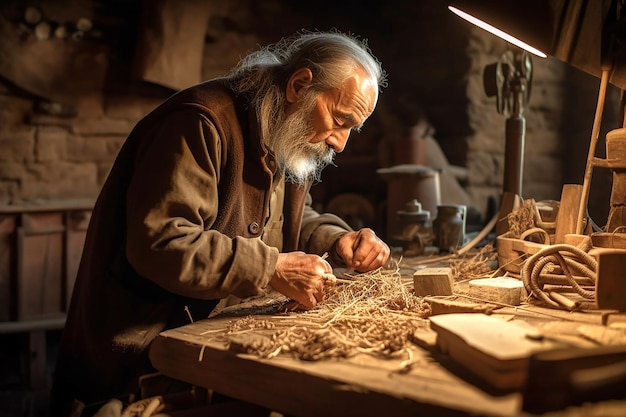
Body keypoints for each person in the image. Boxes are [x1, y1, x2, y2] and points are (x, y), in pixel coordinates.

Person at [50, 30, 390, 416]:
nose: (340, 143)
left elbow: (285, 214)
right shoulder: (200, 122)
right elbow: (161, 242)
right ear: (299, 84)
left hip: (210, 340)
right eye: (340, 120)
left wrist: (336, 238)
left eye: (351, 128)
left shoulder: (283, 128)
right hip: (138, 357)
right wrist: (271, 267)